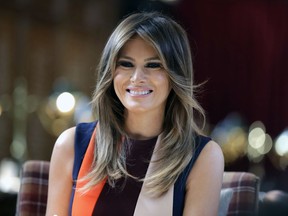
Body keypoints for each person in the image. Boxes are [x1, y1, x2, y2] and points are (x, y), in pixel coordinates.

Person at [46, 11, 224, 216]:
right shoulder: (70, 144)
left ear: (176, 75)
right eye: (126, 64)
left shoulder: (204, 156)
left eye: (154, 65)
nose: (137, 78)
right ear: (110, 71)